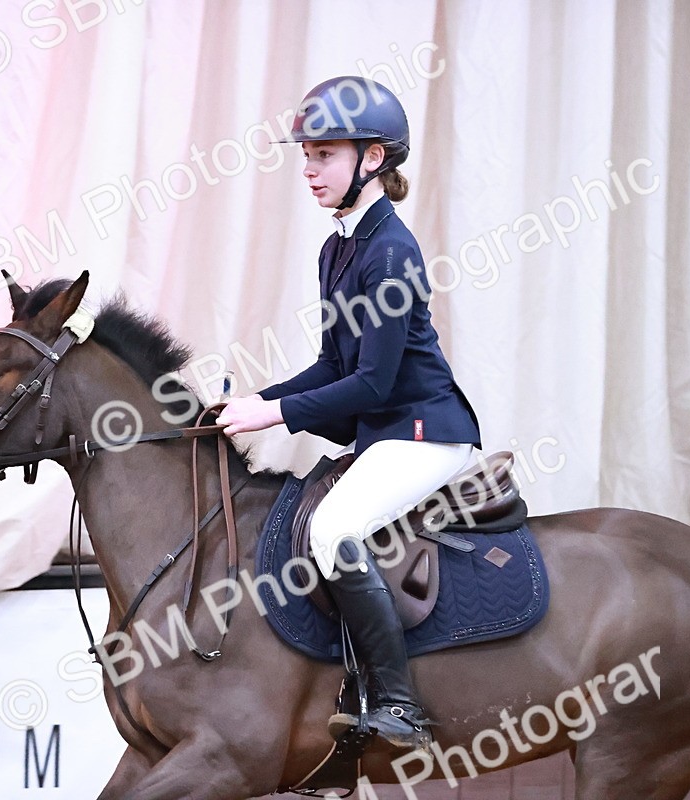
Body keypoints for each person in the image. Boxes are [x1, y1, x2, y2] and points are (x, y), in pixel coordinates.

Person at [217, 76, 482, 751]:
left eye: (325, 154)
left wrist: (273, 417)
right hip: (387, 430)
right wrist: (256, 401)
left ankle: (399, 704)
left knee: (334, 529)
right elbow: (333, 367)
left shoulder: (390, 252)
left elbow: (371, 382)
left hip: (425, 431)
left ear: (373, 158)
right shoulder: (339, 248)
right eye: (306, 153)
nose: (308, 169)